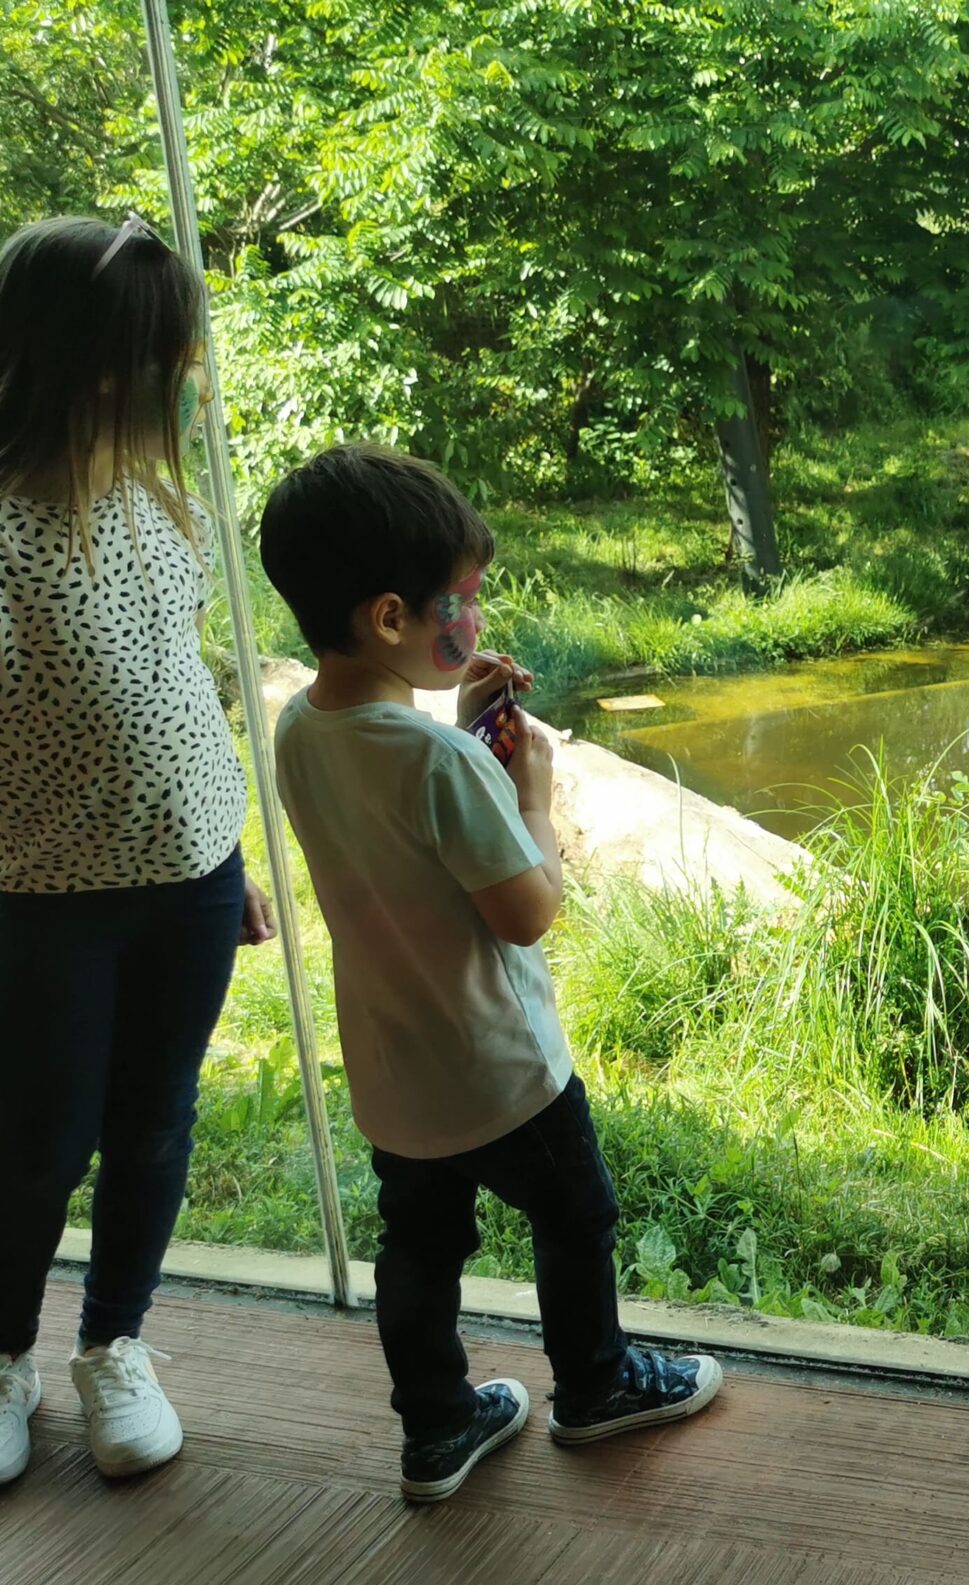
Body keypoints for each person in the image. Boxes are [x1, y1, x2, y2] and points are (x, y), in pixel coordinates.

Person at [258, 443, 718, 1502]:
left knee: (419, 1250)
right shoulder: (442, 763)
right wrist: (533, 795)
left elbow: (394, 814)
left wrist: (464, 735)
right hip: (500, 1070)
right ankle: (596, 1389)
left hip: (393, 1070)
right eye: (455, 605)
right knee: (576, 1217)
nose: (470, 623)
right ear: (388, 618)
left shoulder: (300, 728)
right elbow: (525, 913)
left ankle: (437, 1429)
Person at [0, 215, 279, 1495]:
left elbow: (182, 692)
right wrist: (38, 767)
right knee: (43, 1138)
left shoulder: (159, 502)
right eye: (172, 351)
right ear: (97, 362)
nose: (190, 370)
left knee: (156, 1126)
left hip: (192, 882)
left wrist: (223, 853)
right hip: (53, 900)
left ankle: (113, 1346)